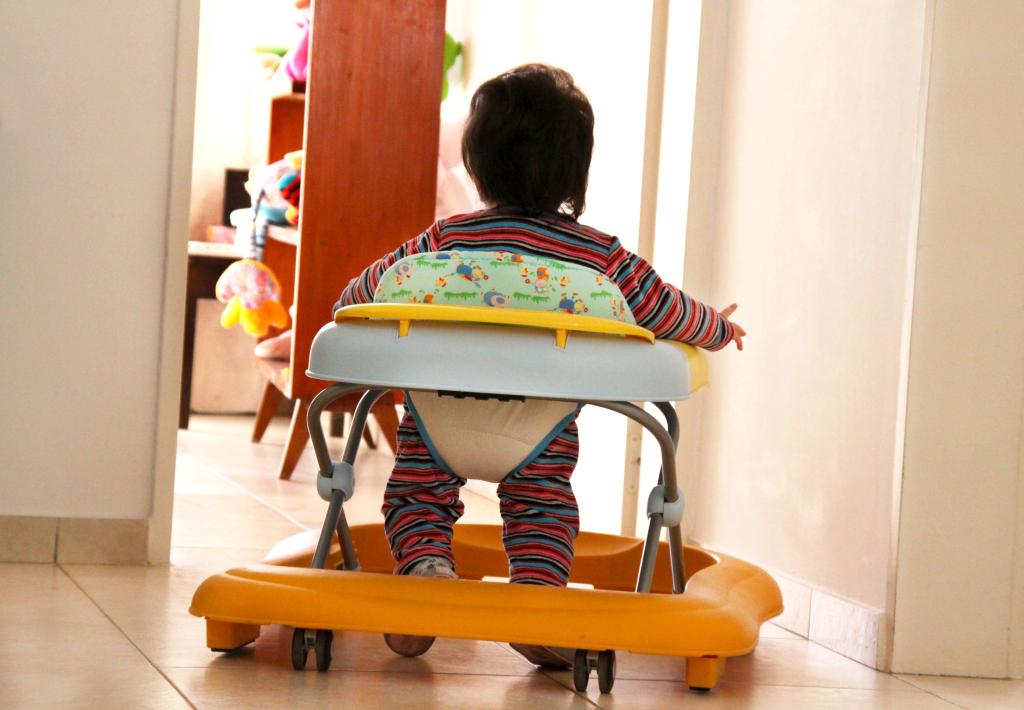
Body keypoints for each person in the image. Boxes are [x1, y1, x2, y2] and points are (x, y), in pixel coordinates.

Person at [333, 64, 745, 665]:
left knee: (416, 496)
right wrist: (720, 327)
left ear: (478, 165)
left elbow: (359, 297)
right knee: (544, 508)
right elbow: (667, 311)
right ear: (575, 173)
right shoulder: (598, 257)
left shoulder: (444, 241)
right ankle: (537, 600)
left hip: (436, 425)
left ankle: (424, 575)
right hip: (539, 434)